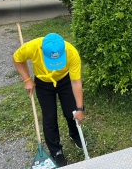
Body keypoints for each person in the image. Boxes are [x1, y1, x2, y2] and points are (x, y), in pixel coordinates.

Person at [13, 33, 85, 167]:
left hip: (64, 80)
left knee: (72, 112)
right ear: (41, 50)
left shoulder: (71, 52)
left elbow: (76, 82)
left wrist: (80, 109)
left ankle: (75, 135)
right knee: (49, 117)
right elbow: (17, 58)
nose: (56, 66)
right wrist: (27, 79)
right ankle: (56, 150)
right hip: (43, 83)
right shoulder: (32, 47)